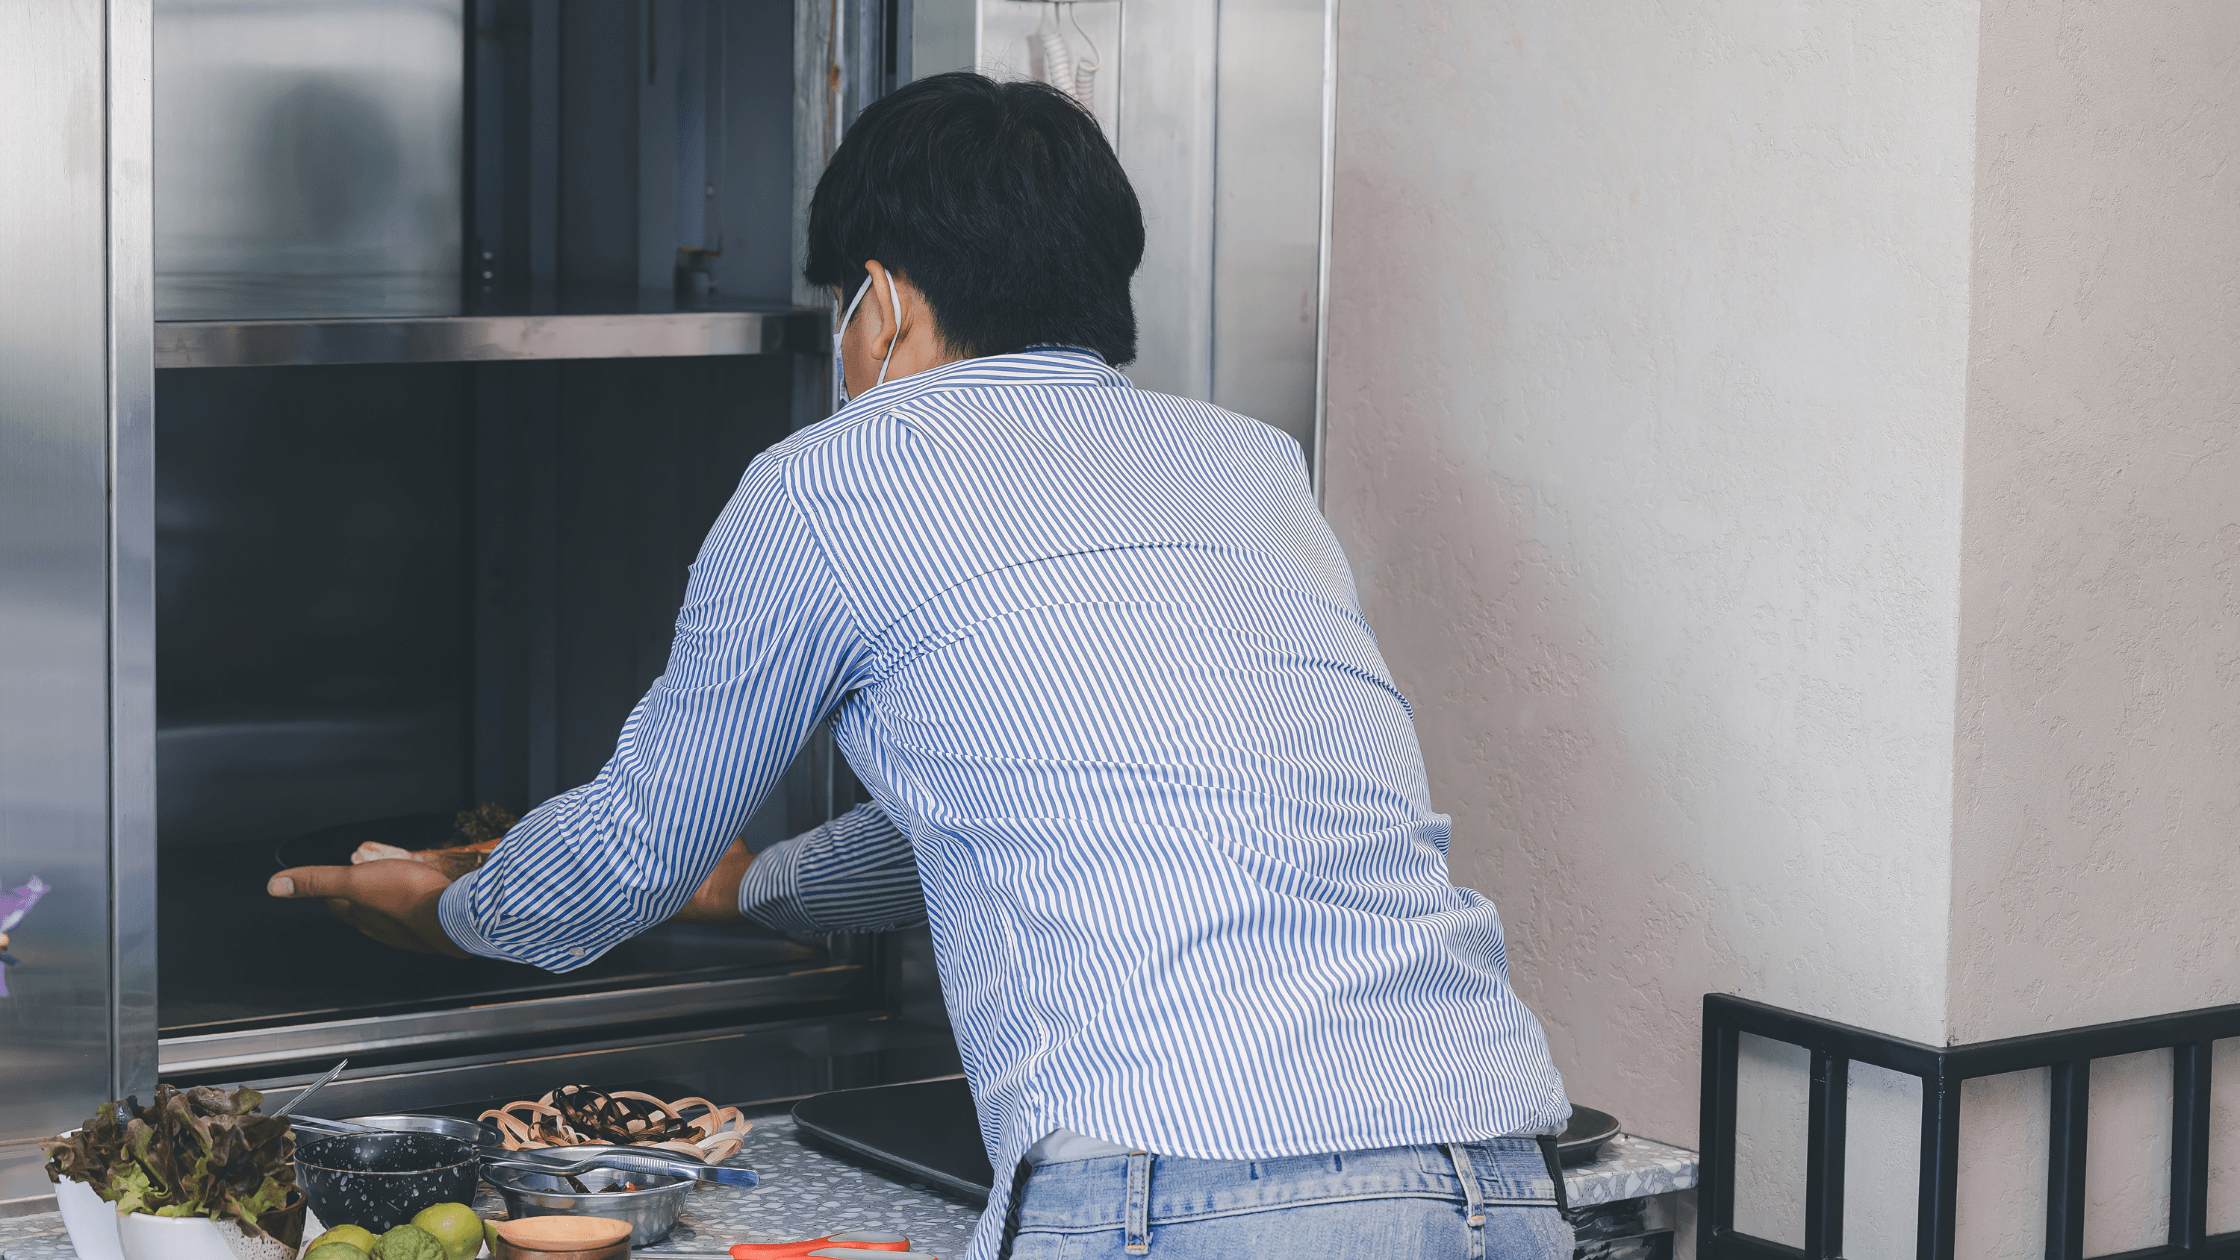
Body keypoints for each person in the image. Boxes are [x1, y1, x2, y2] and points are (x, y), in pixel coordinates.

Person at [270, 72, 1572, 1260]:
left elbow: (623, 860)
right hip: (1487, 1169)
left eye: (844, 310)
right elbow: (1064, 796)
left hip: (1180, 1185)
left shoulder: (830, 485)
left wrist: (439, 911)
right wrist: (761, 890)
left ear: (879, 304)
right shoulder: (1246, 467)